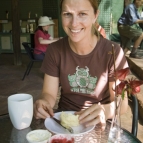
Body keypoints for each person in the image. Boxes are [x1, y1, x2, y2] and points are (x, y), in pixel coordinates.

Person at [34, 0, 128, 131]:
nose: (74, 23)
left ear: (95, 15)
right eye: (67, 14)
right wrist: (44, 102)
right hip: (64, 121)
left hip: (99, 123)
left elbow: (122, 104)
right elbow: (48, 94)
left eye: (82, 14)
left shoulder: (113, 52)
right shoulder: (55, 50)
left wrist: (105, 110)